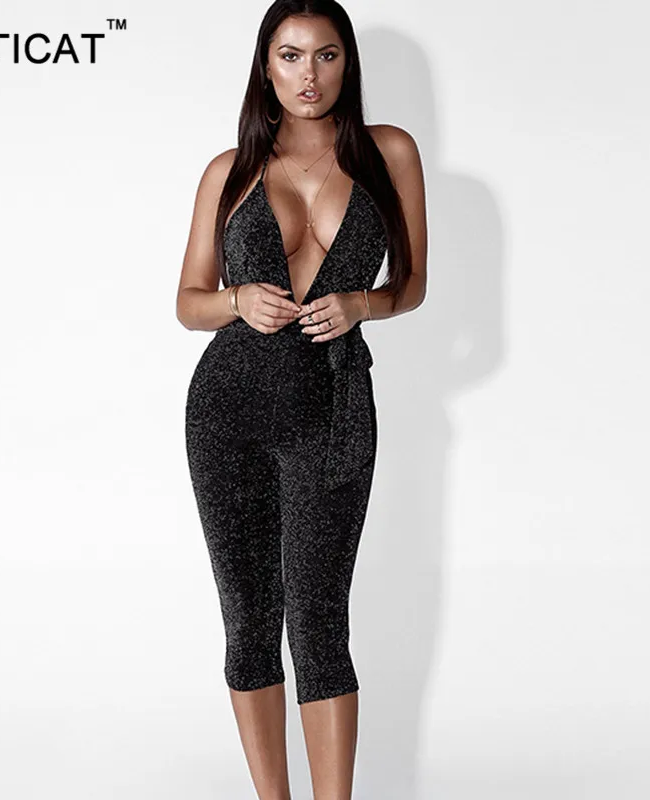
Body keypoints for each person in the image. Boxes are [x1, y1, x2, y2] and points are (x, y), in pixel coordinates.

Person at [176, 1, 427, 796]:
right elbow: (188, 302)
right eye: (289, 56)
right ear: (266, 66)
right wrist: (236, 299)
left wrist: (362, 304)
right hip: (227, 413)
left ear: (347, 63)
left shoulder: (390, 152)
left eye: (325, 55)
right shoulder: (230, 170)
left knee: (318, 622)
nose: (308, 75)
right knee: (249, 621)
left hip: (333, 408)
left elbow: (412, 285)